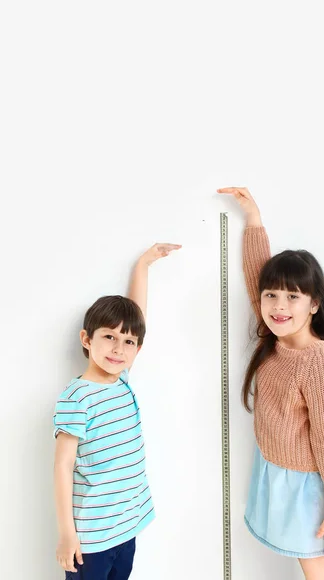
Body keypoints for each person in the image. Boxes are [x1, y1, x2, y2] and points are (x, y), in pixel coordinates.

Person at [217, 186, 324, 580]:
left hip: (312, 488)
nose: (279, 306)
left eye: (293, 297)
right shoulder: (275, 337)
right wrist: (253, 220)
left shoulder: (318, 363)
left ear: (314, 304)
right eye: (272, 296)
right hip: (278, 471)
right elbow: (255, 276)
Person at [53, 242, 181, 579]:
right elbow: (63, 467)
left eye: (128, 342)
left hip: (126, 527)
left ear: (137, 348)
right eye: (109, 337)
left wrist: (144, 265)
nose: (118, 348)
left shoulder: (122, 381)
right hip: (91, 539)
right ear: (86, 339)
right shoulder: (77, 397)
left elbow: (137, 316)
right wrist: (68, 533)